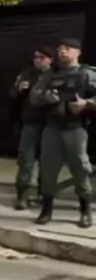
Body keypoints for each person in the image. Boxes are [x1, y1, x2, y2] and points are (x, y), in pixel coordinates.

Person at [30, 38, 96, 228]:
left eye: (67, 48)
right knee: (48, 170)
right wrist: (45, 97)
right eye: (60, 49)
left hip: (75, 129)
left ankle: (85, 210)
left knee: (80, 169)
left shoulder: (87, 74)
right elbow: (34, 97)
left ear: (78, 52)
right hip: (52, 129)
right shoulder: (49, 75)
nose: (62, 52)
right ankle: (46, 210)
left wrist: (87, 103)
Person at [10, 47, 53, 210]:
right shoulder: (27, 74)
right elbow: (12, 95)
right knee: (25, 161)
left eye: (42, 57)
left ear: (50, 60)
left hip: (50, 125)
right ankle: (22, 195)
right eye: (36, 57)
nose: (38, 60)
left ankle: (44, 195)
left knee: (47, 163)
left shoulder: (55, 75)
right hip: (30, 123)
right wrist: (18, 90)